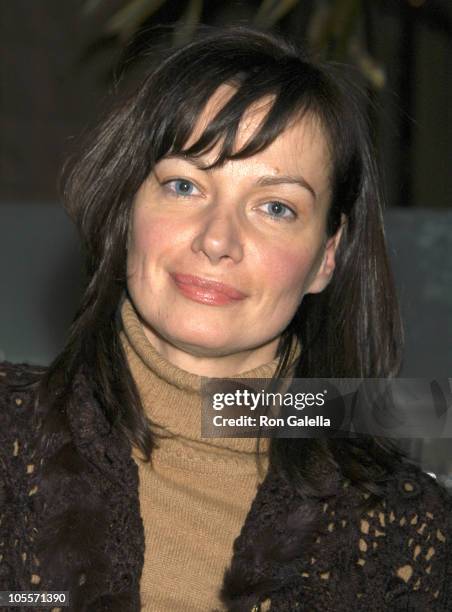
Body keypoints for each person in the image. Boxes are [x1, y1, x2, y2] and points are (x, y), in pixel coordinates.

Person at [0, 26, 451, 612]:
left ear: (326, 257)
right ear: (127, 209)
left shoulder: (408, 536)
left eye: (275, 207)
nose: (218, 240)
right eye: (185, 185)